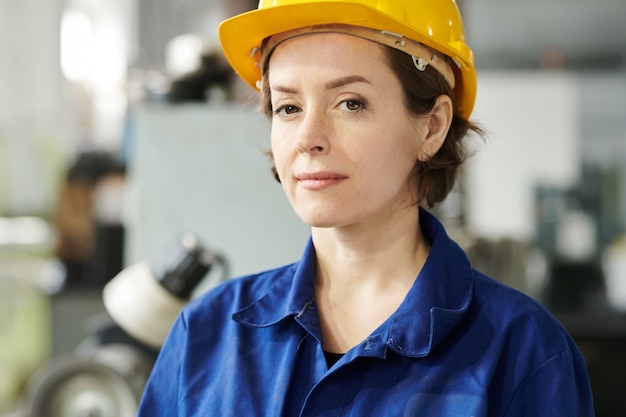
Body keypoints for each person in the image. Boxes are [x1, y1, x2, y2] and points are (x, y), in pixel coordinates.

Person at [137, 0, 595, 415]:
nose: (307, 138)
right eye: (288, 107)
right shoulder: (206, 337)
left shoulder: (521, 352)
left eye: (350, 103)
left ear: (431, 128)